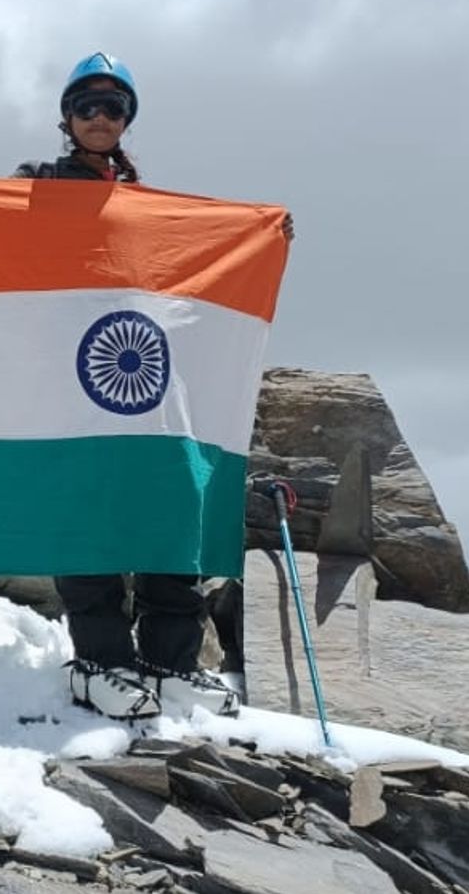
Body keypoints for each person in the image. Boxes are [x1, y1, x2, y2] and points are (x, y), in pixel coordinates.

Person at [16, 52, 292, 721]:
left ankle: (170, 664)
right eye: (88, 106)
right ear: (67, 117)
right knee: (90, 516)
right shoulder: (37, 186)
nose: (102, 118)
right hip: (70, 374)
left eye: (115, 108)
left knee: (171, 502)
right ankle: (100, 663)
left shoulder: (143, 199)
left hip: (140, 371)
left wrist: (261, 238)